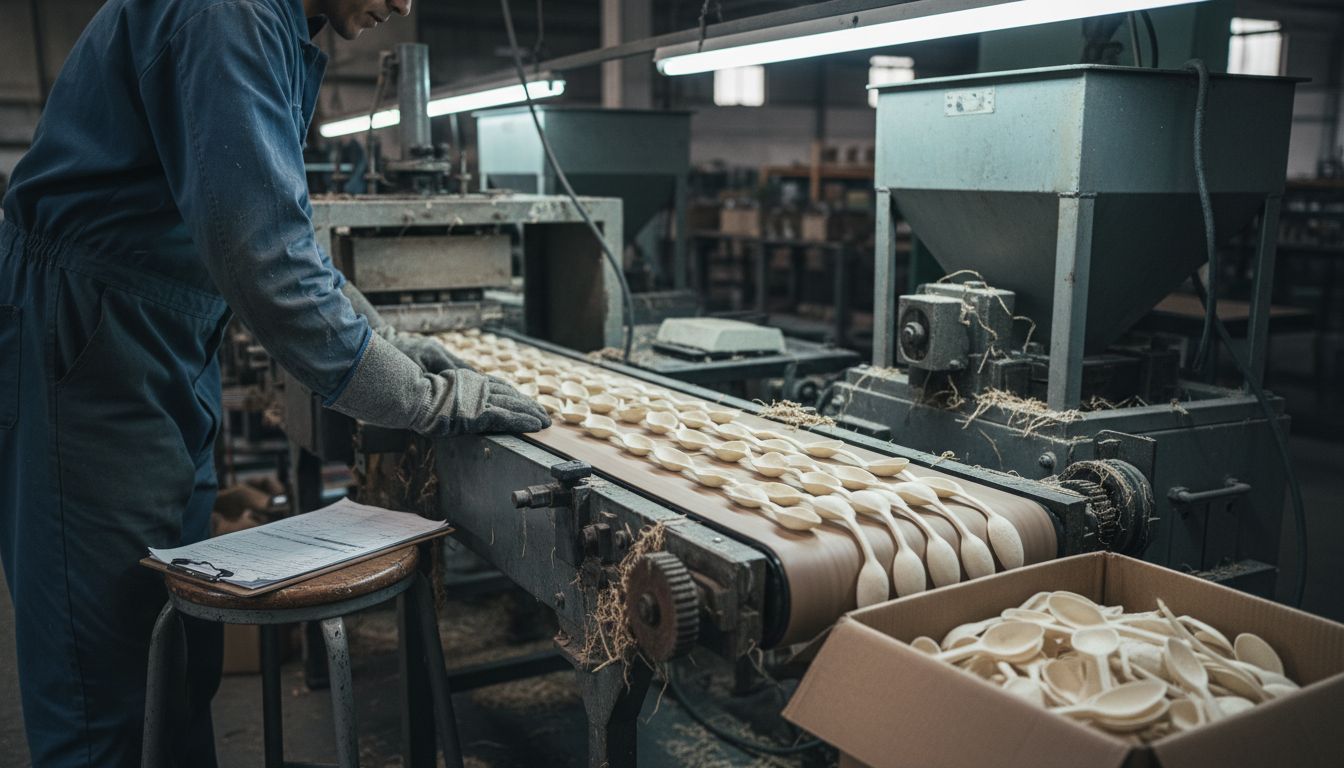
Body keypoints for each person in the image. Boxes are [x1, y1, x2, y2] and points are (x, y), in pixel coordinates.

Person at [0, 0, 550, 765]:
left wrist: (389, 343)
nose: (403, 6)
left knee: (171, 657)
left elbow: (281, 232)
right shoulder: (230, 13)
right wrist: (424, 400)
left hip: (156, 338)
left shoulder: (278, 27)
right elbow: (266, 264)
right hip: (89, 343)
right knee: (108, 681)